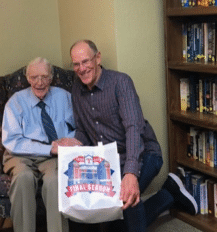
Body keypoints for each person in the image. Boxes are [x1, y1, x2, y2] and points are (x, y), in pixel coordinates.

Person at [67, 40, 198, 231]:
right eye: (76, 64)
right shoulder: (76, 90)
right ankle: (169, 194)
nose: (81, 69)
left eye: (86, 61)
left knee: (127, 198)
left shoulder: (120, 82)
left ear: (98, 58)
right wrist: (73, 148)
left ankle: (165, 194)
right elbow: (83, 130)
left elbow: (133, 128)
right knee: (111, 225)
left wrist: (130, 173)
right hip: (109, 162)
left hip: (144, 153)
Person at [1, 57, 77, 232]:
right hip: (20, 155)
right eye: (34, 77)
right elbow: (13, 141)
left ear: (51, 77)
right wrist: (49, 147)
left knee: (55, 181)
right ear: (28, 79)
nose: (40, 82)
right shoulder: (16, 102)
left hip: (52, 156)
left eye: (44, 77)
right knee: (23, 179)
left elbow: (78, 128)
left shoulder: (64, 97)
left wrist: (68, 140)